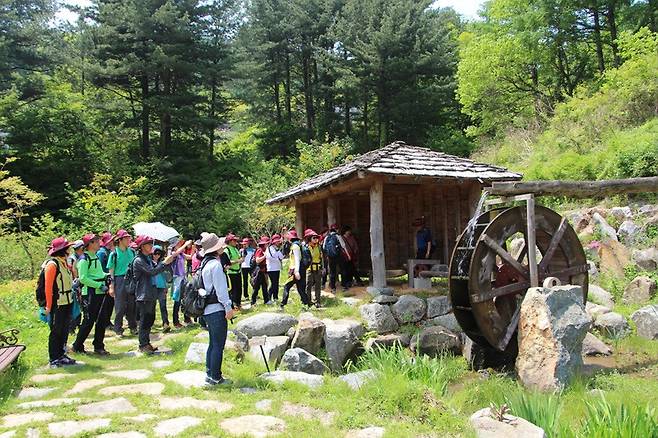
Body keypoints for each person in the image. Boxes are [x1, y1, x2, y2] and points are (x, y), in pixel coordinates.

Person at [132, 235, 185, 353]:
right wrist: (164, 263)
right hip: (143, 293)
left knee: (150, 318)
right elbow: (152, 272)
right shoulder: (139, 260)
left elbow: (156, 269)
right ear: (141, 247)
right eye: (148, 244)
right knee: (145, 319)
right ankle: (143, 345)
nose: (151, 245)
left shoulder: (147, 259)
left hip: (150, 292)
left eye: (151, 243)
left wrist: (166, 263)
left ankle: (146, 343)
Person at [198, 233, 235, 386]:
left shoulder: (205, 264)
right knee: (218, 344)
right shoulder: (215, 265)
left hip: (207, 309)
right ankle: (216, 378)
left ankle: (209, 374)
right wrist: (228, 307)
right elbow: (221, 290)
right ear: (216, 248)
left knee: (213, 343)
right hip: (217, 309)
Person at [72, 233, 113, 356]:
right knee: (88, 321)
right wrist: (99, 285)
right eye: (95, 241)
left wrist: (107, 277)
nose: (99, 242)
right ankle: (77, 346)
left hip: (100, 292)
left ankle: (99, 346)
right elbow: (83, 278)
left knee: (102, 320)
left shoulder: (94, 256)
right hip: (90, 294)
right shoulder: (84, 259)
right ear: (89, 244)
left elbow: (97, 273)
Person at [44, 237, 77, 367]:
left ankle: (61, 354)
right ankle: (53, 358)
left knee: (64, 330)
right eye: (67, 247)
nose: (69, 250)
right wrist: (48, 305)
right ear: (63, 250)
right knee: (56, 331)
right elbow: (48, 287)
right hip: (57, 303)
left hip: (67, 301)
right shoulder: (52, 264)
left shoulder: (64, 263)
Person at [108, 229, 137, 337]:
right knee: (119, 306)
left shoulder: (132, 252)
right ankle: (118, 328)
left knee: (131, 305)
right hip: (119, 280)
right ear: (120, 240)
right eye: (126, 238)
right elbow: (111, 271)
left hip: (131, 280)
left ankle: (133, 326)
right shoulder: (114, 254)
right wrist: (111, 285)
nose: (129, 240)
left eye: (129, 238)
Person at [281, 230, 309, 309]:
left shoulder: (295, 247)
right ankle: (306, 303)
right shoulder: (298, 245)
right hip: (299, 269)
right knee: (300, 288)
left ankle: (283, 304)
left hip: (295, 270)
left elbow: (297, 259)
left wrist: (296, 271)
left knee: (287, 286)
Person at [170, 239, 192, 328]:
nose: (181, 245)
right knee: (177, 300)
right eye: (179, 244)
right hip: (177, 279)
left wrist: (193, 248)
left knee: (185, 298)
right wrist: (185, 244)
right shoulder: (172, 254)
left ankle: (187, 318)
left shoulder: (181, 254)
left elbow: (190, 257)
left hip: (183, 278)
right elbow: (175, 253)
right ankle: (175, 321)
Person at [323, 224, 347, 294]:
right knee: (343, 270)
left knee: (332, 272)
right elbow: (343, 245)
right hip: (339, 256)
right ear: (336, 229)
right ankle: (344, 286)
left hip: (330, 257)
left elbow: (324, 247)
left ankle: (333, 288)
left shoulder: (327, 237)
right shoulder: (338, 236)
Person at [151, 245, 170, 333]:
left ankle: (165, 323)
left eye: (159, 253)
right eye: (155, 253)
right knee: (152, 307)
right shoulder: (149, 263)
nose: (157, 255)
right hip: (152, 286)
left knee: (163, 306)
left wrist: (166, 286)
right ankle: (150, 323)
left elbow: (165, 275)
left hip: (162, 286)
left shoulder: (162, 264)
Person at [303, 229, 323, 307]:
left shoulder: (319, 247)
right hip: (309, 269)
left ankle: (318, 301)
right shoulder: (306, 248)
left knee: (318, 286)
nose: (316, 239)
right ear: (309, 238)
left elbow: (322, 259)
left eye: (316, 238)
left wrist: (323, 268)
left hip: (317, 268)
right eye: (314, 238)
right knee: (308, 286)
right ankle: (308, 302)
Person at [224, 234, 243, 310]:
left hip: (238, 271)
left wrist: (241, 259)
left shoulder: (235, 249)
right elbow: (227, 262)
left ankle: (238, 303)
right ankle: (233, 304)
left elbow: (238, 257)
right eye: (234, 240)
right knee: (233, 289)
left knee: (239, 288)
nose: (236, 242)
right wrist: (237, 261)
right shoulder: (227, 250)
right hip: (231, 273)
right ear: (230, 241)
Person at [265, 234, 284, 304]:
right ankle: (269, 297)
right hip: (271, 268)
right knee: (273, 283)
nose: (278, 242)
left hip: (277, 268)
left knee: (276, 283)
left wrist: (278, 254)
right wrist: (277, 257)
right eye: (277, 241)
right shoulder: (269, 248)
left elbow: (281, 257)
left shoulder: (277, 249)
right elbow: (270, 257)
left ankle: (275, 297)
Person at [251, 236, 269, 305]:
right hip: (259, 271)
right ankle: (253, 302)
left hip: (263, 271)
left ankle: (266, 300)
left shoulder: (265, 250)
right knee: (256, 287)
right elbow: (257, 260)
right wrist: (264, 256)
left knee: (265, 286)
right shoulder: (260, 250)